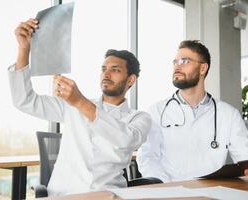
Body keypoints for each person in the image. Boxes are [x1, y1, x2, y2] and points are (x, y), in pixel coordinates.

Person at [8, 18, 152, 196]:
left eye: (115, 69)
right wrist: (24, 50)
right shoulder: (72, 105)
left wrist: (79, 101)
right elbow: (24, 101)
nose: (106, 74)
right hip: (63, 194)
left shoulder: (139, 118)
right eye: (103, 68)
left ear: (131, 79)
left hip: (106, 195)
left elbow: (126, 139)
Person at [136, 40, 248, 184]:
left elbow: (246, 154)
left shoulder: (228, 114)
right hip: (170, 190)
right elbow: (148, 156)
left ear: (203, 68)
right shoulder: (157, 111)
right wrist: (165, 186)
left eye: (184, 61)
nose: (177, 66)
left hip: (212, 191)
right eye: (175, 62)